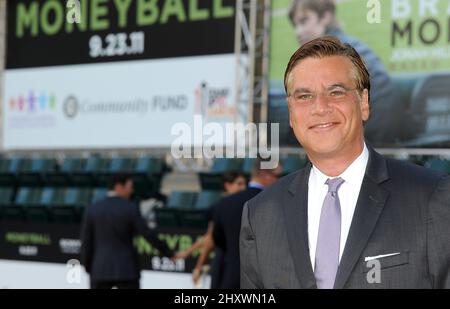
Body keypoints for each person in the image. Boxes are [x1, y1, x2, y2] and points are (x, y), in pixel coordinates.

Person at [240, 36, 450, 289]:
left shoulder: (433, 197)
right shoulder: (260, 213)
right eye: (304, 96)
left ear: (364, 103)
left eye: (336, 92)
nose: (320, 107)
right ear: (291, 113)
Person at [288, 0, 403, 144]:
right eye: (295, 25)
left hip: (372, 136)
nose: (298, 31)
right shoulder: (344, 46)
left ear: (325, 17)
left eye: (304, 21)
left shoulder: (331, 54)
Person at [81, 173, 174, 289]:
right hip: (127, 270)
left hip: (100, 270)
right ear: (119, 187)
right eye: (129, 187)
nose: (131, 190)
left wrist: (88, 266)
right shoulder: (130, 208)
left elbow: (86, 242)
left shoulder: (93, 209)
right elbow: (147, 233)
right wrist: (168, 253)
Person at [213, 159, 283, 288]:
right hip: (264, 281)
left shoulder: (225, 204)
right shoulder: (277, 204)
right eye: (277, 176)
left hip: (231, 278)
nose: (280, 180)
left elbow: (218, 240)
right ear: (264, 173)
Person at [173, 171, 247, 287]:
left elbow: (208, 238)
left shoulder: (245, 206)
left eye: (244, 184)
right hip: (225, 262)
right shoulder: (220, 208)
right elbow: (209, 239)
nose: (244, 188)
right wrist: (197, 265)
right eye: (239, 184)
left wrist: (188, 253)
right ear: (227, 185)